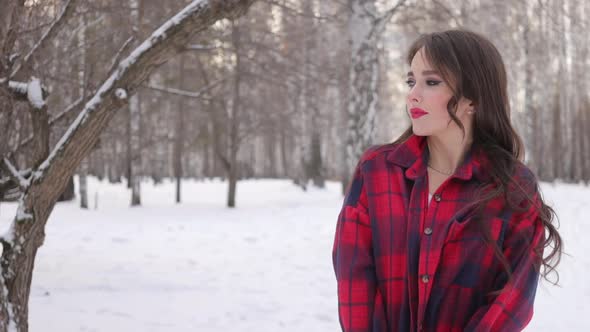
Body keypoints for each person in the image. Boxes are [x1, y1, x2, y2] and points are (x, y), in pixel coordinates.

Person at [332, 29, 562, 332]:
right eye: (411, 81)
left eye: (431, 82)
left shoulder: (513, 187)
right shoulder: (376, 172)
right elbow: (354, 280)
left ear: (473, 99)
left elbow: (511, 303)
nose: (413, 94)